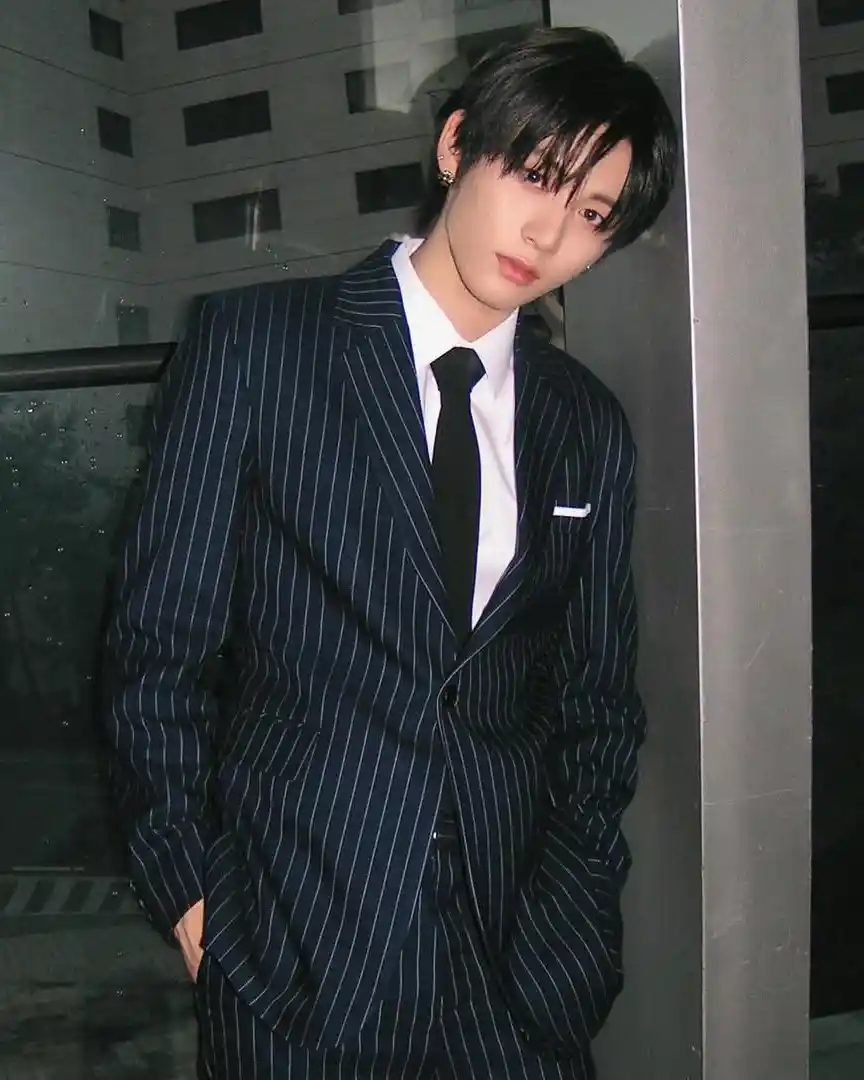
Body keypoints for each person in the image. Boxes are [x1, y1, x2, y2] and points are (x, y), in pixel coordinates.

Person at [103, 26, 678, 1080]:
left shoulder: (584, 421)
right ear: (457, 145)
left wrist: (580, 901)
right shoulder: (258, 347)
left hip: (517, 963)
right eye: (535, 173)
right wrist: (185, 882)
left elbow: (597, 696)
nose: (549, 231)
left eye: (593, 213)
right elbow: (159, 642)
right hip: (291, 942)